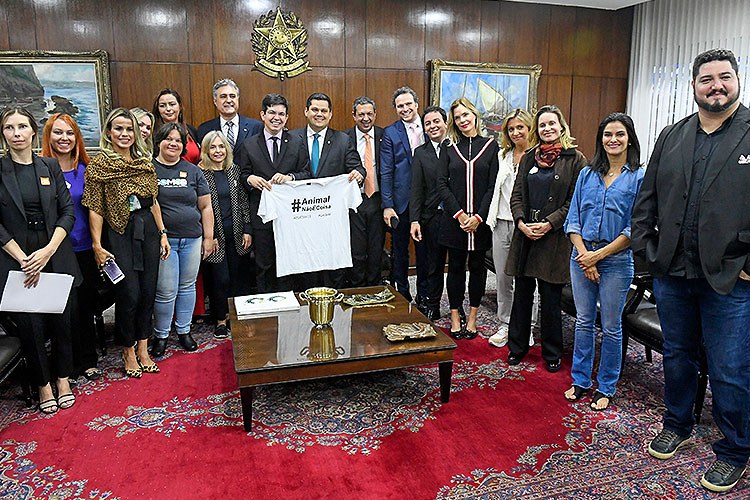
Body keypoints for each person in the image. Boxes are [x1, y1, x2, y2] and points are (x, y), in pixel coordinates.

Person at [632, 48, 750, 493]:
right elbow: (647, 202)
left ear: (737, 80)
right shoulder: (672, 135)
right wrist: (648, 253)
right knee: (677, 356)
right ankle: (677, 423)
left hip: (730, 280)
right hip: (672, 274)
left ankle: (736, 448)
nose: (715, 86)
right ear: (694, 85)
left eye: (724, 77)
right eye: (706, 79)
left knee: (730, 368)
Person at [0, 107, 82, 413]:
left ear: (34, 131)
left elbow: (68, 212)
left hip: (54, 252)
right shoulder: (0, 169)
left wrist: (48, 250)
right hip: (16, 257)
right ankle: (43, 385)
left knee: (63, 321)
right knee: (31, 326)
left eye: (22, 126)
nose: (16, 133)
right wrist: (23, 259)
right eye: (9, 128)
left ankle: (63, 379)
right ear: (4, 134)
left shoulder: (49, 166)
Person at [563, 112, 644, 410]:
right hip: (580, 256)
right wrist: (585, 256)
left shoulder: (639, 177)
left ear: (629, 139)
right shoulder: (587, 173)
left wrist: (597, 257)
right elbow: (573, 219)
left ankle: (606, 386)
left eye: (619, 134)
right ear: (601, 140)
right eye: (607, 134)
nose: (613, 140)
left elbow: (635, 228)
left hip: (616, 262)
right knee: (583, 322)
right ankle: (581, 380)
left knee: (611, 326)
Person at [83, 107, 170, 378]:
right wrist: (97, 245)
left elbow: (153, 202)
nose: (124, 134)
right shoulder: (100, 166)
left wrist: (163, 233)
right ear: (109, 132)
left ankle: (143, 349)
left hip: (149, 232)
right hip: (119, 233)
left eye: (129, 129)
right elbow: (95, 208)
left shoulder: (144, 162)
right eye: (118, 128)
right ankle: (128, 349)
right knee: (128, 293)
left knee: (147, 292)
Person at [505, 105, 586, 372]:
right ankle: (516, 347)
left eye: (552, 124)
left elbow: (576, 201)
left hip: (554, 238)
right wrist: (520, 222)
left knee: (551, 299)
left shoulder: (575, 159)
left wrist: (549, 224)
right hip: (526, 234)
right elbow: (516, 195)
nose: (547, 129)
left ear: (561, 126)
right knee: (523, 295)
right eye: (542, 125)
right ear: (537, 130)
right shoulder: (529, 157)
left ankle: (552, 352)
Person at [41, 112, 101, 381]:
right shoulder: (39, 170)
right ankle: (66, 363)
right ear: (48, 136)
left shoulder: (85, 171)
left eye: (69, 133)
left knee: (85, 305)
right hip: (55, 251)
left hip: (85, 247)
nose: (64, 138)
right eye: (58, 133)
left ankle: (88, 359)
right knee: (63, 309)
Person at [437, 98, 499, 339]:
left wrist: (479, 217)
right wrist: (461, 215)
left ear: (474, 115)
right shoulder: (448, 147)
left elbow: (493, 186)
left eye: (466, 115)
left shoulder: (491, 147)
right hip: (455, 222)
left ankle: (472, 317)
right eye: (458, 117)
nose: (463, 120)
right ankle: (455, 314)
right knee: (454, 268)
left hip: (480, 224)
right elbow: (442, 184)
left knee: (477, 269)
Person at [151, 123, 214, 356]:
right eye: (169, 139)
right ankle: (161, 335)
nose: (173, 144)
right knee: (166, 290)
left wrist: (208, 237)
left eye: (178, 141)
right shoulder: (150, 169)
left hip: (192, 238)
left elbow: (206, 206)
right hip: (163, 241)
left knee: (187, 287)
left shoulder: (194, 171)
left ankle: (184, 331)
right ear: (159, 142)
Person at [237, 93, 310, 292]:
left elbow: (307, 173)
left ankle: (289, 308)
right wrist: (249, 179)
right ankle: (266, 310)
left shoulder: (297, 142)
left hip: (291, 217)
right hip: (261, 216)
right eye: (271, 113)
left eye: (281, 114)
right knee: (264, 265)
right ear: (262, 115)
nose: (276, 117)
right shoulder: (249, 144)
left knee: (288, 264)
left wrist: (291, 178)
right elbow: (242, 176)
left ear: (286, 118)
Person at [290, 92, 363, 290]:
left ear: (330, 114)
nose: (319, 114)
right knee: (304, 263)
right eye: (315, 109)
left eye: (324, 110)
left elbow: (357, 167)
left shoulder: (342, 140)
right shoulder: (292, 138)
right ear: (306, 111)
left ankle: (332, 305)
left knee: (332, 265)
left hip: (330, 216)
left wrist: (358, 173)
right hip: (301, 216)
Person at [487, 109, 537, 348]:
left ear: (529, 128)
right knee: (504, 278)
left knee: (526, 279)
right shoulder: (503, 155)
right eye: (511, 129)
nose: (516, 132)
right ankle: (506, 323)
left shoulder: (539, 155)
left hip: (527, 226)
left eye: (520, 128)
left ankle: (527, 326)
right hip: (501, 222)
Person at [199, 131, 252, 339]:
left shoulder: (234, 170)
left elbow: (243, 201)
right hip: (214, 234)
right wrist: (208, 236)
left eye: (221, 147)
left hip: (237, 233)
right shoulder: (200, 173)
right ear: (206, 150)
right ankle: (220, 319)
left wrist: (248, 228)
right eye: (213, 147)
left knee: (238, 277)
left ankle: (236, 316)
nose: (218, 151)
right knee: (220, 279)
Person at [380, 86, 428, 303]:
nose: (405, 109)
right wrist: (387, 205)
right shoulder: (390, 132)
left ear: (416, 105)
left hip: (428, 201)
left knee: (425, 251)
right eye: (400, 106)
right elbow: (386, 170)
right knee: (399, 251)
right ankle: (402, 293)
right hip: (401, 203)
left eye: (409, 104)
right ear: (395, 109)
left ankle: (425, 295)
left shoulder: (430, 126)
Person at [410, 106, 448, 320]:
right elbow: (416, 188)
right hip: (430, 216)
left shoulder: (456, 148)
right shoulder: (421, 153)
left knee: (454, 265)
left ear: (445, 122)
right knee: (430, 262)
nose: (432, 126)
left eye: (436, 121)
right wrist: (414, 219)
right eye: (428, 123)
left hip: (454, 217)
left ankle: (454, 306)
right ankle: (430, 302)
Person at [346, 96, 385, 287]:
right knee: (357, 248)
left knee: (376, 247)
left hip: (379, 199)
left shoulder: (385, 136)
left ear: (375, 114)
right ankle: (357, 287)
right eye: (361, 114)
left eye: (370, 114)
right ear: (354, 116)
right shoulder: (344, 139)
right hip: (355, 201)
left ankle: (375, 285)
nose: (366, 118)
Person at [197, 78, 263, 157]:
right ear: (215, 101)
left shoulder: (256, 127)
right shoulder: (204, 129)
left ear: (237, 99)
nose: (228, 100)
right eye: (223, 96)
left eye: (232, 96)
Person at [152, 88, 201, 164]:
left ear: (180, 106)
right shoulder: (152, 133)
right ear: (158, 109)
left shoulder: (191, 130)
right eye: (162, 106)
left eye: (172, 104)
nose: (168, 109)